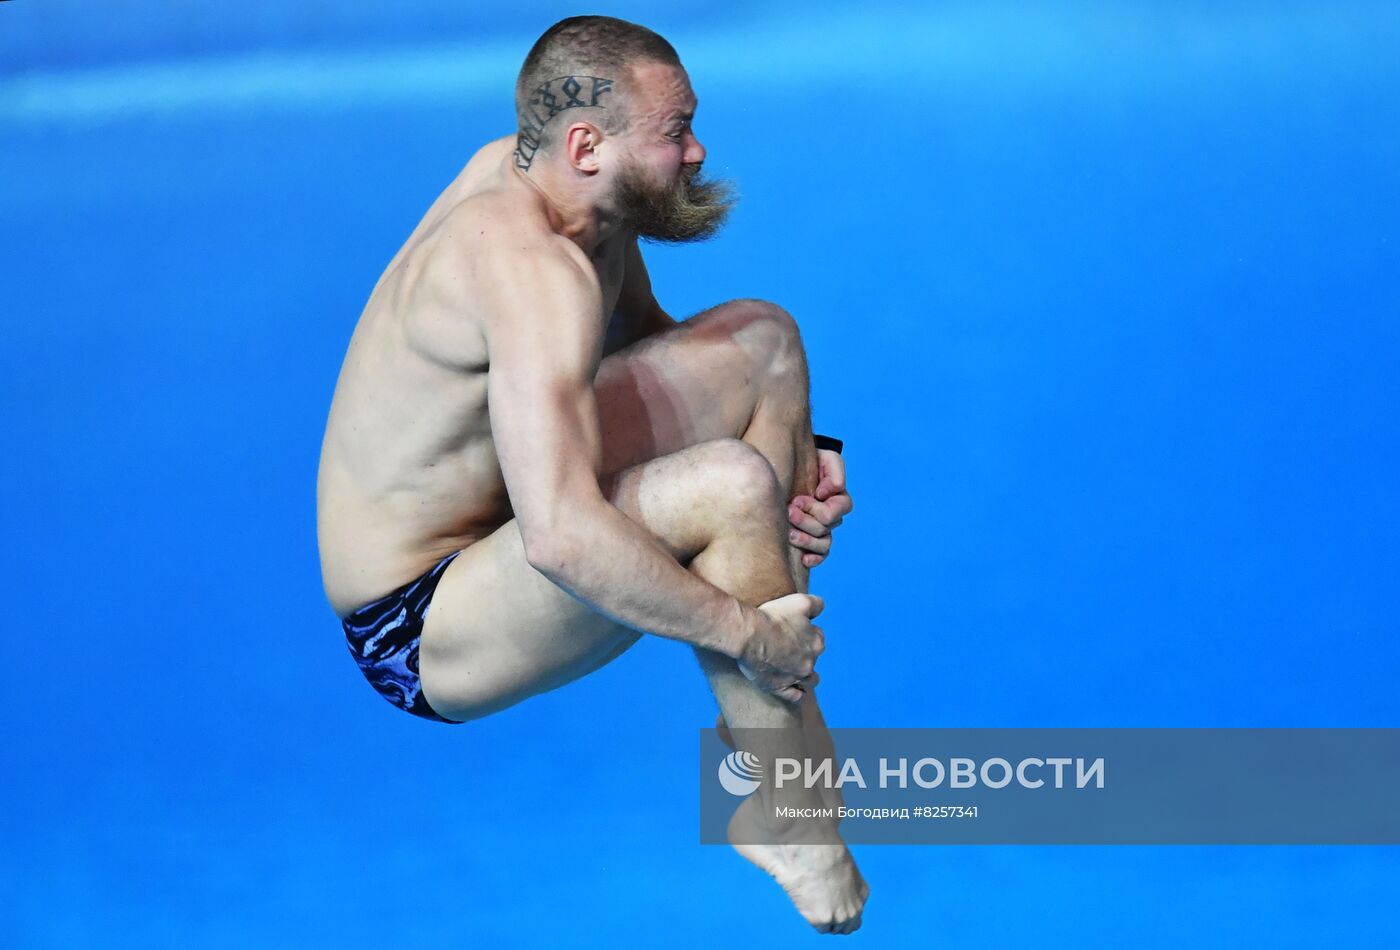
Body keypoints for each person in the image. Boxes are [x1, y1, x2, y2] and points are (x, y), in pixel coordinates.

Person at [316, 15, 867, 934]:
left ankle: (763, 745)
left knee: (764, 342)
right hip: (424, 620)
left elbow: (641, 341)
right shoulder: (531, 268)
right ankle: (794, 805)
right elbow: (562, 535)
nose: (697, 151)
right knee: (729, 488)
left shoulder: (576, 194)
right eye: (675, 130)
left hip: (516, 508)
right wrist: (748, 635)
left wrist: (805, 457)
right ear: (587, 143)